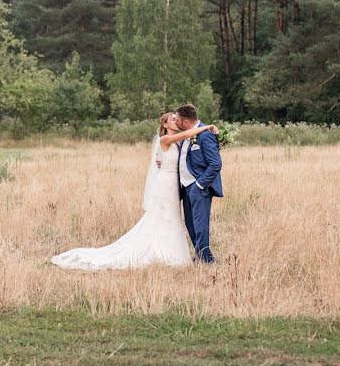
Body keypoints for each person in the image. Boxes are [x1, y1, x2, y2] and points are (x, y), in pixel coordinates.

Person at [50, 111, 218, 271]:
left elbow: (185, 156)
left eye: (177, 118)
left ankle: (172, 250)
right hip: (165, 184)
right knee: (163, 216)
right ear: (165, 124)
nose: (177, 121)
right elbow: (184, 135)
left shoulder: (179, 143)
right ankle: (159, 252)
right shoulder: (166, 138)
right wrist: (205, 127)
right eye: (173, 119)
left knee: (172, 217)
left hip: (175, 185)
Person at [174, 103, 223, 264]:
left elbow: (215, 163)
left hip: (199, 187)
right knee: (190, 224)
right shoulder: (187, 135)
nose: (177, 123)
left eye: (178, 120)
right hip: (185, 187)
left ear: (186, 122)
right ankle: (200, 254)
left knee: (200, 224)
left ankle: (206, 259)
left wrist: (199, 184)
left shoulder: (205, 135)